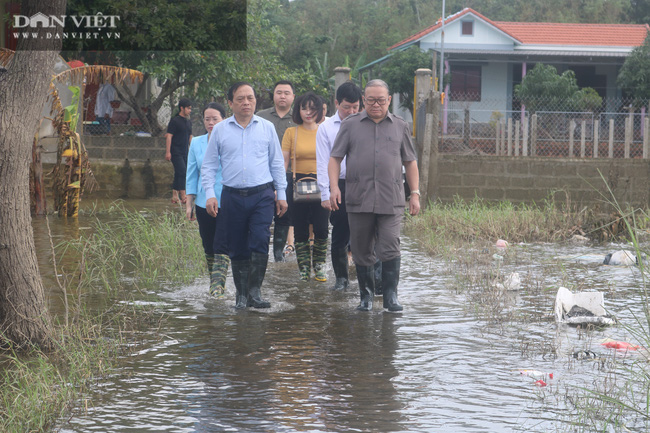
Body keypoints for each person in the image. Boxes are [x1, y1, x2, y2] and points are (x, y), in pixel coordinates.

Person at [329, 79, 421, 312]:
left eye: (381, 100)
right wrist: (334, 187)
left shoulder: (400, 126)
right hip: (358, 197)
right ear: (363, 101)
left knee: (390, 244)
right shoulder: (350, 125)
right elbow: (335, 158)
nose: (376, 104)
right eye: (370, 100)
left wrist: (415, 194)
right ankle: (366, 297)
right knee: (361, 249)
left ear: (389, 100)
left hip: (391, 198)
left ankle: (390, 297)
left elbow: (410, 162)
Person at [201, 82, 288, 309]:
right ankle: (241, 295)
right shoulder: (220, 130)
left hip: (262, 194)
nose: (246, 102)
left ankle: (254, 293)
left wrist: (282, 194)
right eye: (240, 99)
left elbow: (277, 162)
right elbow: (209, 165)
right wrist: (210, 195)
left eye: (250, 98)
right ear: (230, 103)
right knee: (237, 245)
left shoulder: (266, 127)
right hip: (231, 196)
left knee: (260, 240)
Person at [316, 81, 362, 291]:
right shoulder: (325, 128)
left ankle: (368, 278)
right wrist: (325, 193)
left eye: (355, 107)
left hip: (363, 184)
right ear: (336, 103)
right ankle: (341, 278)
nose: (351, 112)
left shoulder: (366, 123)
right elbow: (323, 160)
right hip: (339, 184)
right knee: (341, 231)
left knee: (366, 231)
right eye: (346, 107)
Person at [281, 92, 329, 282]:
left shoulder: (324, 131)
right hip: (297, 184)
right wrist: (278, 187)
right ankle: (303, 269)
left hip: (322, 183)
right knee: (299, 228)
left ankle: (319, 267)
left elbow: (333, 160)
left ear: (319, 111)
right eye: (304, 108)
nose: (308, 112)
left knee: (322, 228)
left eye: (312, 108)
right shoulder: (291, 132)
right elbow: (283, 162)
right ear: (298, 110)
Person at [185, 102, 229, 297]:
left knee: (222, 241)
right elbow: (191, 174)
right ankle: (214, 279)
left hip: (227, 200)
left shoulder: (231, 140)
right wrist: (189, 202)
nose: (211, 123)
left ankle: (218, 286)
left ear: (224, 119)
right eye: (207, 119)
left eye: (215, 119)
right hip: (203, 201)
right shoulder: (197, 143)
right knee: (208, 243)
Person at [257, 80, 297, 262]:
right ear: (273, 95)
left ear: (293, 97)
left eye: (286, 93)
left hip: (289, 174)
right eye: (279, 92)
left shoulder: (298, 118)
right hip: (262, 174)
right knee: (263, 213)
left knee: (284, 214)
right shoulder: (261, 116)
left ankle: (278, 255)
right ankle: (259, 252)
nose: (282, 96)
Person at [166, 98, 193, 204]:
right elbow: (169, 136)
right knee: (182, 171)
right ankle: (183, 195)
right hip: (175, 151)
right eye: (188, 108)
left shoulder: (188, 122)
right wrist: (168, 152)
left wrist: (193, 150)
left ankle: (174, 195)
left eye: (191, 108)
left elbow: (190, 136)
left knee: (179, 172)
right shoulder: (175, 121)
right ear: (182, 108)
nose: (190, 111)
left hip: (185, 151)